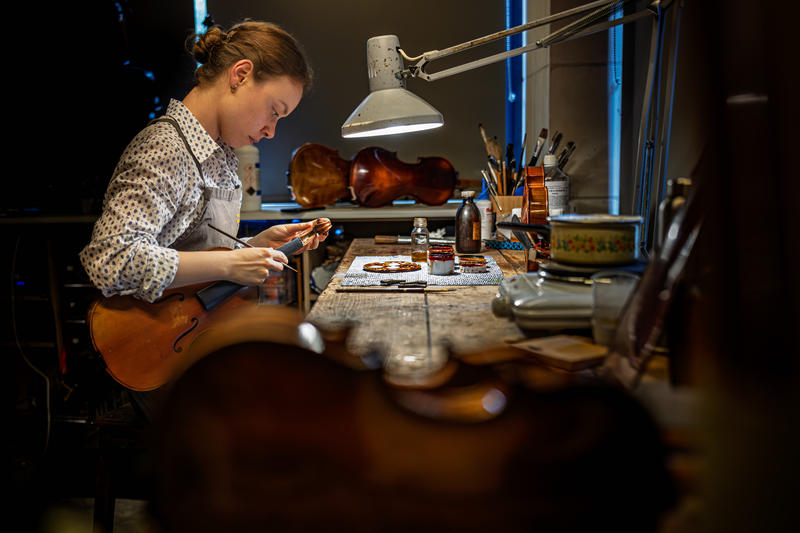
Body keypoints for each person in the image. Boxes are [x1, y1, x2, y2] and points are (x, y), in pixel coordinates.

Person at [80, 20, 324, 420]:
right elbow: (109, 259)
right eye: (273, 112)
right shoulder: (165, 147)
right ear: (240, 75)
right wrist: (231, 262)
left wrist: (257, 247)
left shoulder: (222, 153)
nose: (270, 131)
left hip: (195, 339)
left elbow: (195, 252)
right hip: (152, 349)